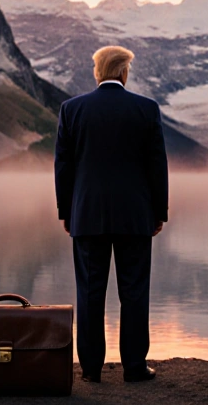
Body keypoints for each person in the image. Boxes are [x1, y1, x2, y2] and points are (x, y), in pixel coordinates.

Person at [54, 45, 169, 383]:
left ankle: (90, 370)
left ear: (97, 73)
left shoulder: (71, 109)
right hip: (135, 217)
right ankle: (134, 367)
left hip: (86, 215)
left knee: (89, 292)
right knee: (134, 291)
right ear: (124, 73)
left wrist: (66, 211)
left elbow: (63, 166)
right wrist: (158, 212)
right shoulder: (146, 109)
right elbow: (157, 165)